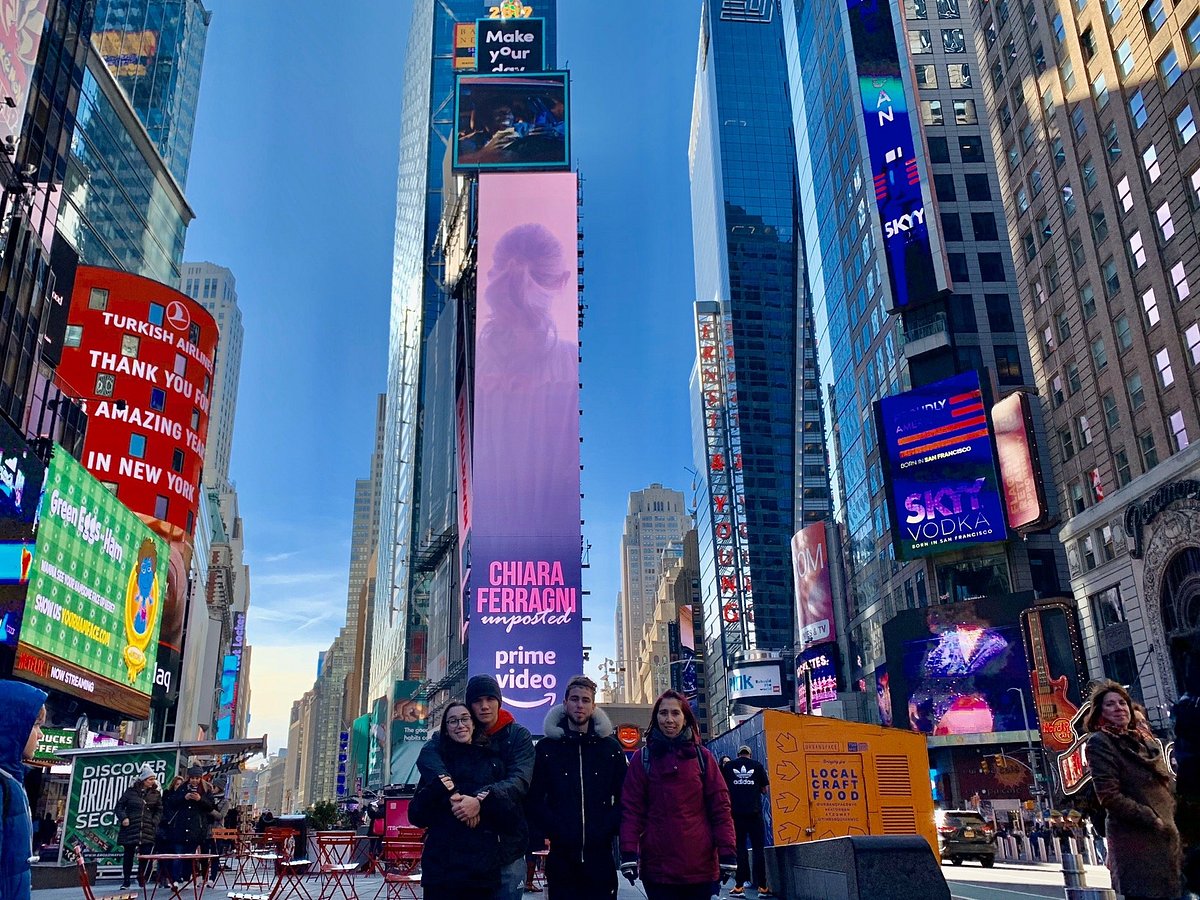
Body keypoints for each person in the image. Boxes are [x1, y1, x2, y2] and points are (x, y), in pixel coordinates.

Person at [417, 674, 535, 900]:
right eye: (477, 701)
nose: (484, 706)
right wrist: (452, 793)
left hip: (508, 844)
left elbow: (519, 781)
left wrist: (479, 801)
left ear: (499, 701)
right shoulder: (455, 739)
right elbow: (427, 754)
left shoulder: (517, 735)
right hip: (466, 857)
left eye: (490, 699)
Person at [619, 690, 736, 900]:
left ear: (685, 718)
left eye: (675, 713)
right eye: (663, 713)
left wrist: (727, 853)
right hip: (658, 869)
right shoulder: (642, 759)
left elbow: (720, 807)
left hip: (700, 867)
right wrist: (628, 852)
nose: (669, 719)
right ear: (655, 718)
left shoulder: (703, 758)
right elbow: (632, 809)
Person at [527, 675, 628, 900]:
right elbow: (534, 798)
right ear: (564, 704)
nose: (579, 705)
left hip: (601, 856)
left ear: (593, 706)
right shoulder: (546, 748)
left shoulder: (610, 748)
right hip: (561, 858)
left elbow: (626, 797)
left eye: (585, 700)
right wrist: (554, 827)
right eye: (574, 699)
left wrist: (608, 826)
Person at [1086, 680, 1182, 899]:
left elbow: (1166, 786)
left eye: (1122, 703)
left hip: (1167, 837)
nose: (1119, 707)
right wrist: (1152, 818)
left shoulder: (1143, 743)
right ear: (1099, 712)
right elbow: (1109, 795)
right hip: (1136, 842)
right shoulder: (1100, 742)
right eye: (1110, 704)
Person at [409, 701, 510, 899]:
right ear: (445, 729)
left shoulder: (492, 762)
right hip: (441, 870)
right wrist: (441, 792)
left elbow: (506, 810)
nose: (460, 725)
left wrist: (478, 805)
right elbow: (416, 816)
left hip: (480, 870)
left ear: (473, 723)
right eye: (452, 721)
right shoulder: (435, 766)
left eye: (464, 719)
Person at [0, 680, 45, 900]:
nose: (40, 735)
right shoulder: (3, 785)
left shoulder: (13, 780)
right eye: (35, 725)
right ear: (14, 724)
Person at [721, 745, 772, 897]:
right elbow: (764, 790)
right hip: (754, 814)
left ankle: (739, 887)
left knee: (740, 850)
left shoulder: (729, 766)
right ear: (749, 754)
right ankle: (762, 887)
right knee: (758, 850)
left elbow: (722, 787)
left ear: (738, 754)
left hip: (736, 814)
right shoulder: (757, 766)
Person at [164, 766, 216, 886]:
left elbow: (210, 806)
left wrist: (200, 799)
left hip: (195, 828)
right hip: (181, 827)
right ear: (189, 778)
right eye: (192, 778)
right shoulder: (182, 788)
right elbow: (172, 803)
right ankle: (176, 879)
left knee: (189, 855)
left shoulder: (206, 790)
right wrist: (184, 798)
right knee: (178, 854)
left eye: (197, 778)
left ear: (200, 778)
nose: (194, 780)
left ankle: (186, 878)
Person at [114, 764, 163, 889]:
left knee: (146, 855)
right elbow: (119, 806)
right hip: (130, 826)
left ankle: (142, 877)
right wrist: (124, 817)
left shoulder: (155, 794)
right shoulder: (130, 792)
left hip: (147, 827)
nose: (153, 781)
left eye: (153, 779)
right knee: (128, 855)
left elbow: (159, 810)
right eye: (150, 779)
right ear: (143, 780)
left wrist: (154, 821)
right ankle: (126, 880)